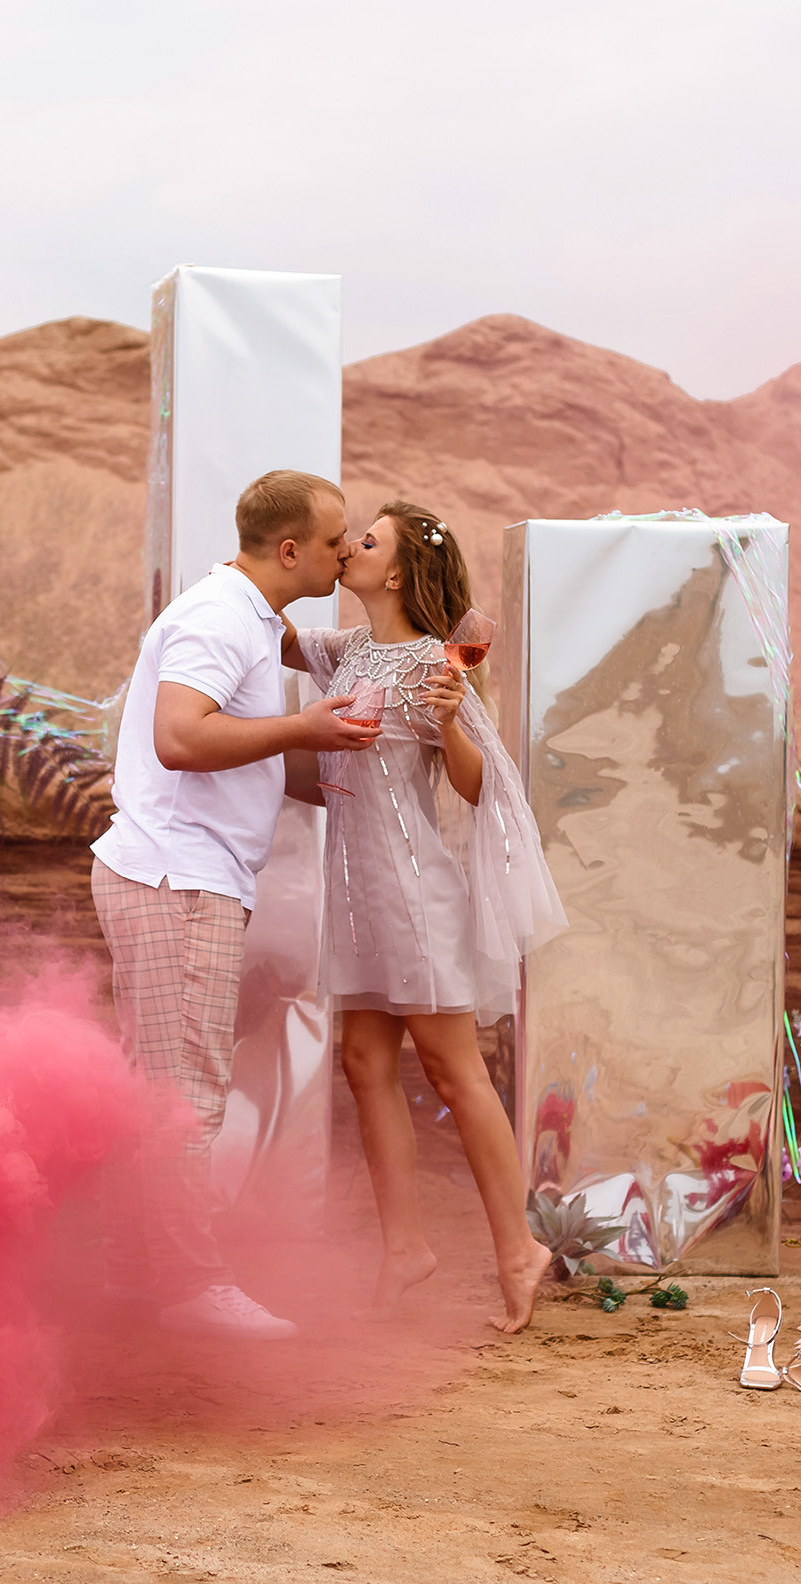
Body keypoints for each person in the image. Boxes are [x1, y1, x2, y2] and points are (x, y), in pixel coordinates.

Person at [90, 468, 377, 1341]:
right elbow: (180, 737)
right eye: (335, 542)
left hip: (187, 877)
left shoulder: (248, 618)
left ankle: (145, 1281)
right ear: (290, 550)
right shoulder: (221, 620)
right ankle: (187, 1288)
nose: (344, 555)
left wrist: (350, 775)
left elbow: (244, 754)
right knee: (185, 1096)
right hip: (179, 881)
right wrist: (306, 728)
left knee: (169, 1089)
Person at [282, 501, 567, 1333]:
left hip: (415, 894)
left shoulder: (434, 667)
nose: (348, 550)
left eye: (364, 543)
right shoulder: (344, 649)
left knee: (453, 1072)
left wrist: (448, 723)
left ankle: (518, 1249)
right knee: (365, 1061)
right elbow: (270, 620)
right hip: (359, 897)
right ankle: (404, 1248)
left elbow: (481, 790)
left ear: (399, 572)